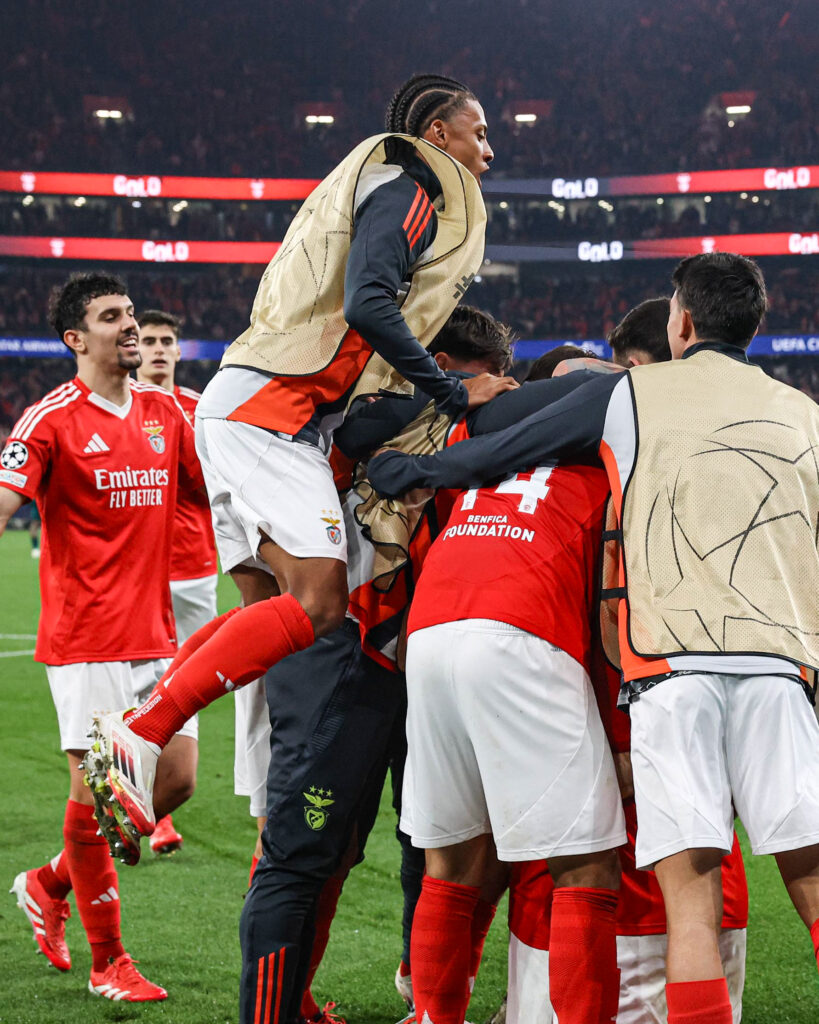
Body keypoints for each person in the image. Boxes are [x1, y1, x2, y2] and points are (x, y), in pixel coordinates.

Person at [369, 251, 819, 1024]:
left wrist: (415, 468)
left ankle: (433, 1011)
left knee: (682, 894)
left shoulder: (632, 397)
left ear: (681, 322)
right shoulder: (804, 413)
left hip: (661, 662)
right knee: (809, 876)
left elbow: (501, 443)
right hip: (780, 663)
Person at [85, 72, 516, 863]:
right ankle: (141, 727)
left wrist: (432, 399)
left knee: (272, 617)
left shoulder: (379, 188)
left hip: (262, 410)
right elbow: (367, 306)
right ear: (439, 134)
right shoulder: (413, 187)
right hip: (267, 417)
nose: (488, 150)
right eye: (477, 132)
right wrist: (449, 390)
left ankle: (141, 727)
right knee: (318, 600)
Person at [237, 306, 515, 1024]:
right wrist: (444, 393)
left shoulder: (450, 431)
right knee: (303, 854)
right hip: (338, 650)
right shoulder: (343, 415)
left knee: (431, 841)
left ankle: (418, 1001)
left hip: (418, 659)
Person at [1, 272, 204, 1002]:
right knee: (98, 796)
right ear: (75, 340)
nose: (129, 329)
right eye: (112, 318)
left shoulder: (166, 412)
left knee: (172, 784)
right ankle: (108, 963)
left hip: (156, 633)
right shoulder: (48, 418)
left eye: (130, 316)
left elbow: (206, 493)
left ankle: (47, 883)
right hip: (85, 638)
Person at [136, 307, 217, 854]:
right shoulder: (122, 409)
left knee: (184, 690)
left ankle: (158, 797)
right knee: (140, 693)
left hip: (195, 571)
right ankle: (151, 809)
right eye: (150, 340)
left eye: (169, 340)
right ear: (134, 347)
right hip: (139, 577)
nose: (160, 348)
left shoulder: (197, 411)